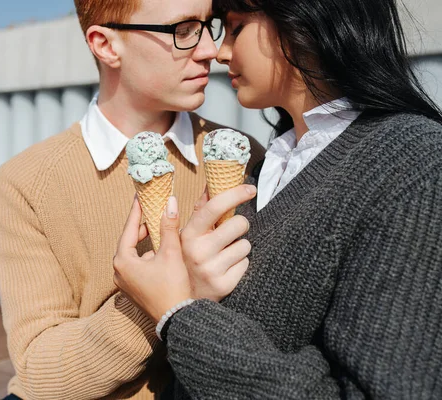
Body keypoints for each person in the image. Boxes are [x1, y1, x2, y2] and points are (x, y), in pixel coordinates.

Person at [113, 0, 442, 398]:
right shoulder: (268, 161)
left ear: (304, 18)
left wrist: (180, 314)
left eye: (236, 28)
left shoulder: (413, 162)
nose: (220, 51)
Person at [0, 0, 265, 398]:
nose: (210, 50)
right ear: (105, 44)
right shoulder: (29, 182)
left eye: (210, 25)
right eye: (184, 30)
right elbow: (39, 371)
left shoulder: (245, 155)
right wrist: (160, 298)